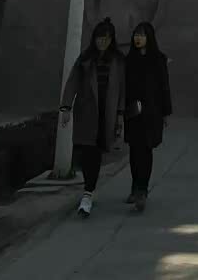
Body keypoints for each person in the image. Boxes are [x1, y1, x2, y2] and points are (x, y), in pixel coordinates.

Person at [60, 17, 125, 218]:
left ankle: (88, 193)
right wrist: (66, 107)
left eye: (106, 38)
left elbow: (123, 89)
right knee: (86, 153)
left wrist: (120, 114)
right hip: (87, 112)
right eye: (99, 38)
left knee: (96, 153)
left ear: (111, 40)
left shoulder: (118, 61)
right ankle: (89, 190)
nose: (102, 42)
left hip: (107, 114)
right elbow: (72, 82)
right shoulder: (86, 59)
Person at [124, 22, 172, 211]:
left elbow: (164, 87)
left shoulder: (158, 60)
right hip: (132, 112)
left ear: (149, 37)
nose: (138, 38)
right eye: (136, 35)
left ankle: (142, 190)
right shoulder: (129, 60)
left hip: (152, 112)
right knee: (134, 151)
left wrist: (166, 112)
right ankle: (135, 186)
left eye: (142, 35)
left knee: (146, 149)